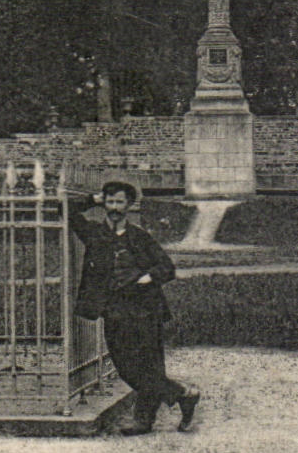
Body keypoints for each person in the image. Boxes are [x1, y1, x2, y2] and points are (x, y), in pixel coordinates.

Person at [71, 181, 201, 434]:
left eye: (120, 202)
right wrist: (93, 199)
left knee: (150, 366)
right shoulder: (94, 233)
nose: (114, 208)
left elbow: (166, 268)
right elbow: (64, 211)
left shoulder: (140, 237)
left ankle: (144, 420)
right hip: (114, 311)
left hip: (145, 309)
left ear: (129, 206)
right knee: (126, 368)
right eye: (110, 202)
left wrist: (148, 277)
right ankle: (183, 394)